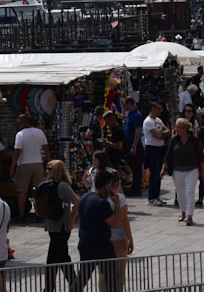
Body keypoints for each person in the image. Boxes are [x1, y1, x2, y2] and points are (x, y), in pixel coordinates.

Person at [74, 167, 120, 292]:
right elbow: (115, 223)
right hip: (101, 246)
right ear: (107, 186)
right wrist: (116, 204)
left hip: (85, 243)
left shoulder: (84, 197)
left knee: (83, 276)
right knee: (111, 277)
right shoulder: (102, 203)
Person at [41, 160, 79, 292]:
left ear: (57, 170)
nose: (47, 171)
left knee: (52, 259)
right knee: (63, 258)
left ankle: (49, 288)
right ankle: (75, 285)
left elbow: (76, 201)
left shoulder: (62, 186)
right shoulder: (51, 185)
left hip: (62, 228)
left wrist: (72, 220)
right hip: (54, 227)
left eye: (50, 168)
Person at [161, 118, 204, 226]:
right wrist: (163, 168)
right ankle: (183, 212)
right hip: (177, 169)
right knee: (180, 193)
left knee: (189, 191)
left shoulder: (194, 140)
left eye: (178, 127)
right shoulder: (174, 140)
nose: (176, 129)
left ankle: (190, 216)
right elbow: (168, 155)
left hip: (192, 169)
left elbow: (200, 156)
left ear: (185, 128)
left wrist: (202, 170)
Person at [11, 114, 52, 220]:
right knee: (38, 191)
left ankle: (21, 214)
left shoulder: (20, 135)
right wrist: (50, 164)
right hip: (37, 164)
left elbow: (17, 153)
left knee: (22, 191)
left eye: (19, 123)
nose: (18, 125)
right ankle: (39, 214)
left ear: (24, 123)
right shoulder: (39, 132)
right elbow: (46, 150)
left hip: (24, 165)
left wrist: (12, 167)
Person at [106, 174, 134, 292]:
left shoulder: (101, 197)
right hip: (118, 239)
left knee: (104, 272)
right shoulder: (120, 198)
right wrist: (130, 239)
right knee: (119, 272)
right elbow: (124, 220)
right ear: (117, 183)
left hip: (105, 239)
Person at [142, 102, 171, 206]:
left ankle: (157, 195)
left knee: (159, 173)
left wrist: (163, 134)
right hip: (152, 148)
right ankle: (152, 196)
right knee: (154, 173)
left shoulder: (158, 120)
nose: (160, 111)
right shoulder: (148, 121)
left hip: (160, 148)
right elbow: (157, 135)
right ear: (153, 109)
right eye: (159, 109)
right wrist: (163, 134)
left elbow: (167, 130)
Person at [122, 98, 144, 197]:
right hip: (128, 142)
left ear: (130, 104)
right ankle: (133, 186)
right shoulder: (130, 114)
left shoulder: (137, 115)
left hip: (134, 143)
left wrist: (134, 145)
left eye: (125, 104)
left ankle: (136, 188)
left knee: (136, 166)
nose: (124, 107)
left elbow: (137, 131)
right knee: (131, 165)